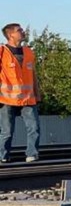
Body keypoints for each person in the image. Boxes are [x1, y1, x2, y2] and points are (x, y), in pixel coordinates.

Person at [0, 23, 41, 163]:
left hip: (28, 98)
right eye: (19, 30)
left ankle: (32, 154)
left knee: (34, 128)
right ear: (10, 34)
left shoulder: (28, 52)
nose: (23, 32)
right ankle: (3, 156)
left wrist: (37, 92)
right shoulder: (2, 52)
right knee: (7, 131)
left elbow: (33, 74)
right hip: (7, 99)